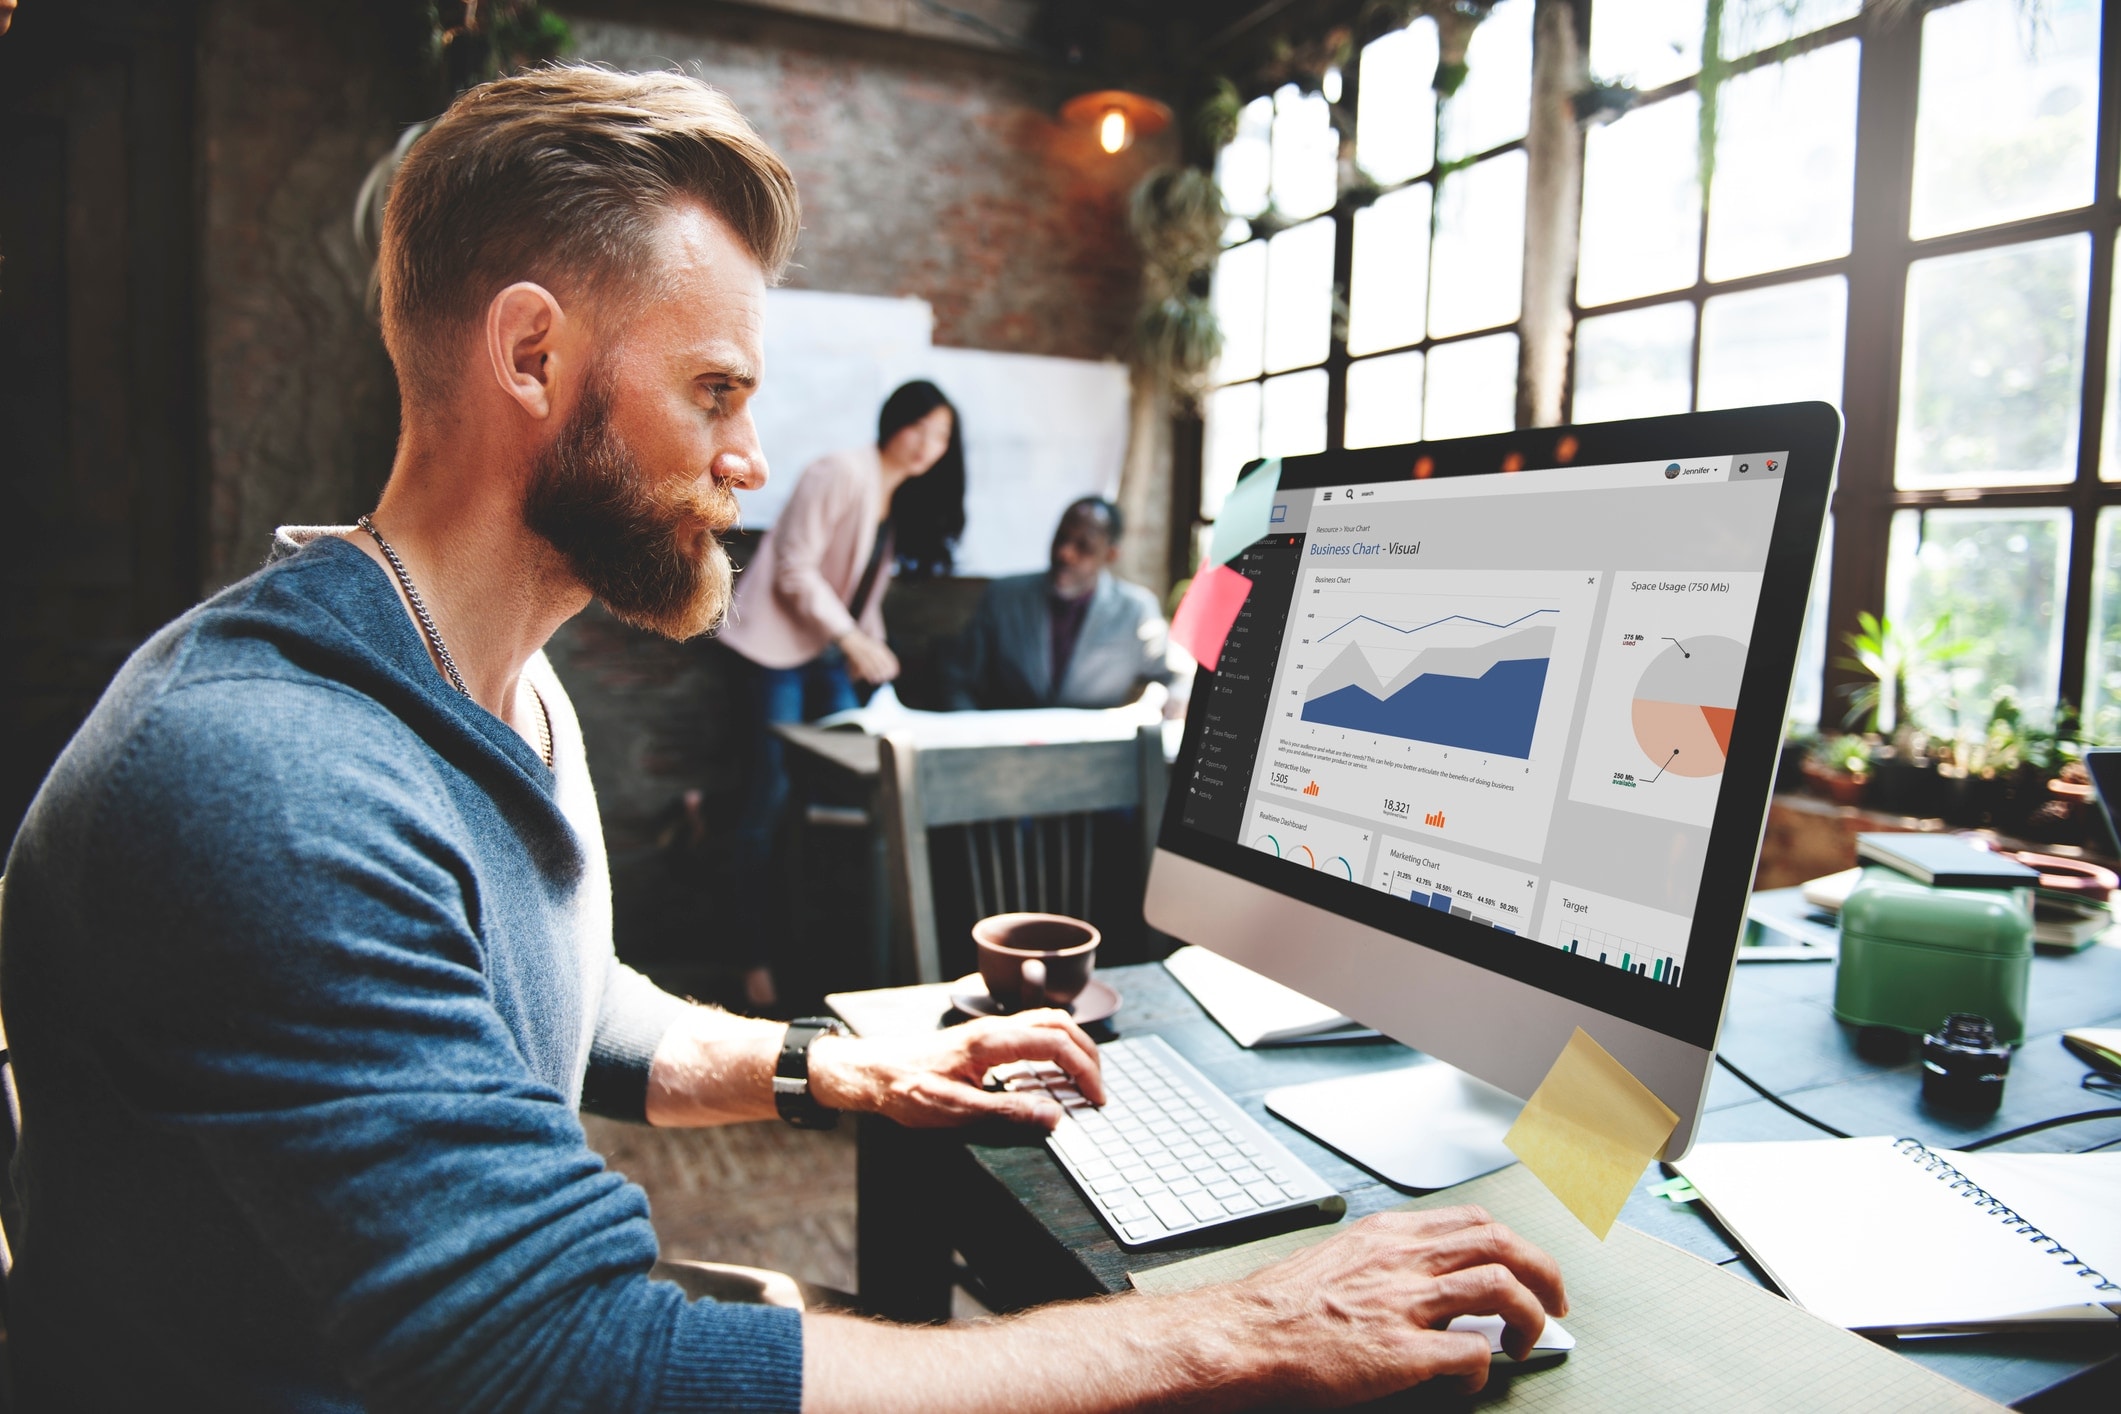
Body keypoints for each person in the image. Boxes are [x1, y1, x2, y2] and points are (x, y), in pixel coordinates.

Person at [0, 66, 1565, 1412]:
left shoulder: (496, 686)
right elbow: (577, 1359)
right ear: (531, 357)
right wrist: (1237, 1329)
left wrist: (847, 1069)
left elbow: (562, 1004)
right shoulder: (267, 781)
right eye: (716, 390)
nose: (751, 457)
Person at [716, 379, 963, 1007]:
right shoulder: (839, 471)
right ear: (894, 421)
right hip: (774, 651)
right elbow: (795, 569)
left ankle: (818, 952)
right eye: (921, 429)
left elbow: (861, 594)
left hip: (825, 655)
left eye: (941, 439)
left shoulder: (894, 498)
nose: (927, 447)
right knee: (767, 799)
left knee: (838, 799)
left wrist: (872, 651)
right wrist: (854, 639)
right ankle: (749, 957)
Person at [947, 496, 1183, 714]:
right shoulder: (1004, 597)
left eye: (1084, 545)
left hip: (1096, 750)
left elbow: (1175, 675)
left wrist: (1176, 697)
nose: (1065, 553)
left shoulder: (1135, 610)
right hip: (1009, 747)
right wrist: (974, 734)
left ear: (1110, 554)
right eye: (1061, 538)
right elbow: (958, 679)